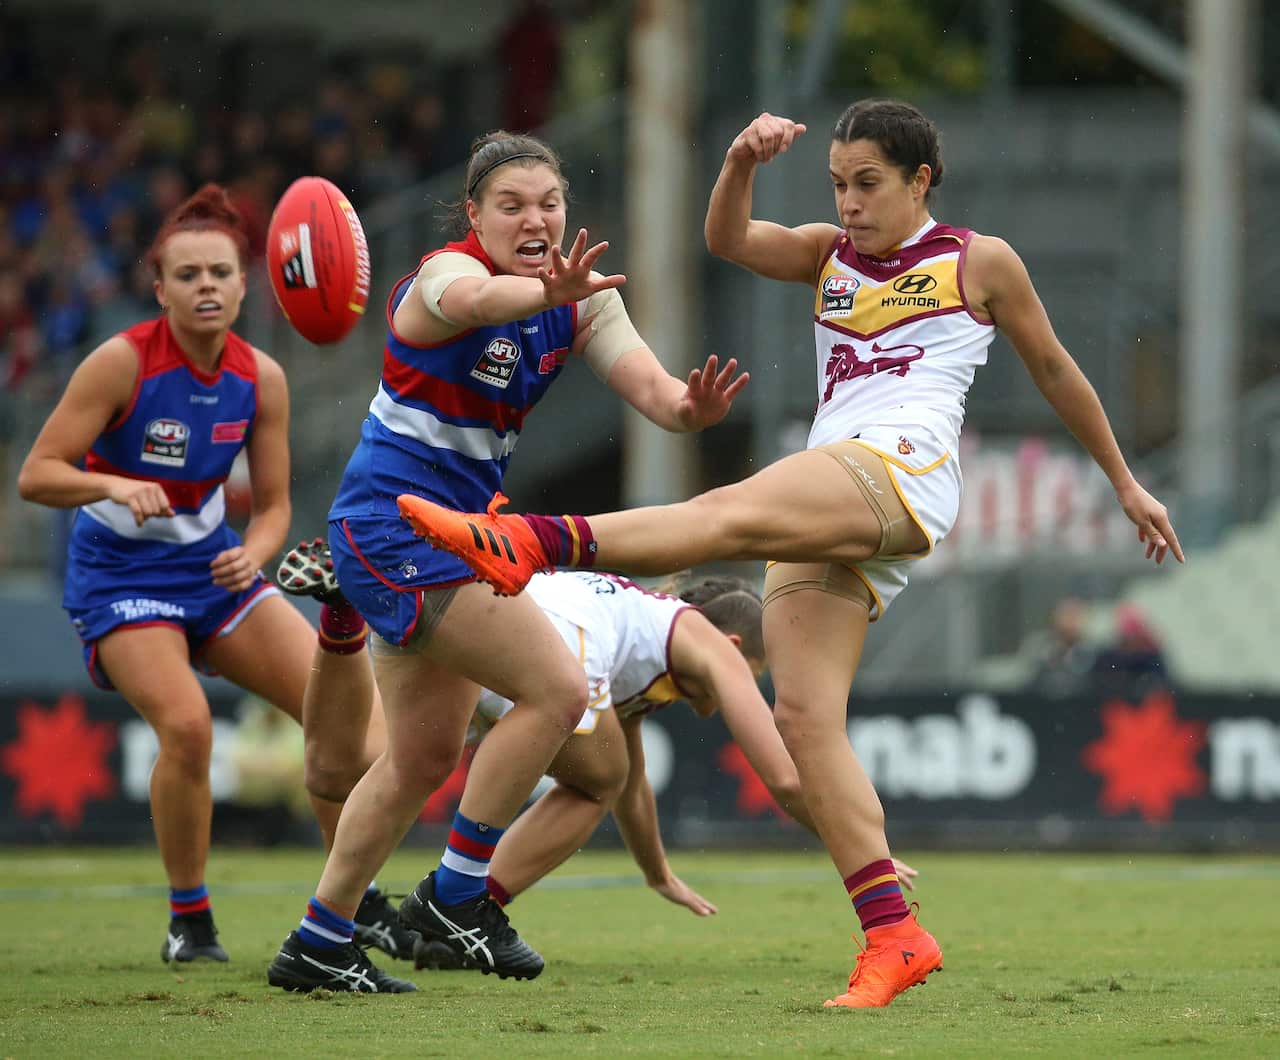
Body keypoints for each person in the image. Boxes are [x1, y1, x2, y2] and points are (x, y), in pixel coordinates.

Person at [397, 100, 1185, 1008]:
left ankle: (531, 542)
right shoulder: (826, 255)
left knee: (725, 515)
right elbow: (727, 239)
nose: (848, 203)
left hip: (901, 469)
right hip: (837, 484)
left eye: (868, 184)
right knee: (806, 723)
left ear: (921, 180)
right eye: (838, 184)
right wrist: (739, 159)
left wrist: (1125, 482)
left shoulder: (979, 260)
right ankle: (894, 934)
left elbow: (1054, 368)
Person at [265, 131, 748, 994]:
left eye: (549, 204)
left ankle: (318, 940)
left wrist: (690, 410)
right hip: (397, 528)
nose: (535, 219)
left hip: (454, 534)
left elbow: (654, 392)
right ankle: (456, 898)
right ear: (474, 215)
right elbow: (479, 300)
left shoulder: (582, 301)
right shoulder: (440, 280)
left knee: (419, 760)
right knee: (558, 692)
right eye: (512, 205)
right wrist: (536, 292)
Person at [16, 185, 405, 967]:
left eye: (220, 273)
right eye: (187, 274)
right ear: (159, 288)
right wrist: (111, 484)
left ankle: (350, 906)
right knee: (189, 727)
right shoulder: (121, 363)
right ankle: (190, 921)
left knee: (348, 727)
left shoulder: (262, 378)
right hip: (120, 572)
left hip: (213, 567)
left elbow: (275, 507)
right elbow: (37, 474)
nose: (206, 287)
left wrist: (255, 553)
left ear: (243, 284)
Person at [414, 569, 918, 971]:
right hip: (550, 639)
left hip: (484, 616)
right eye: (754, 675)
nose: (744, 689)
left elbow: (630, 784)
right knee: (598, 782)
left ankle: (399, 913)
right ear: (735, 647)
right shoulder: (711, 646)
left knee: (396, 764)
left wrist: (658, 874)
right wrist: (859, 851)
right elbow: (784, 778)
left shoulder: (645, 638)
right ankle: (464, 910)